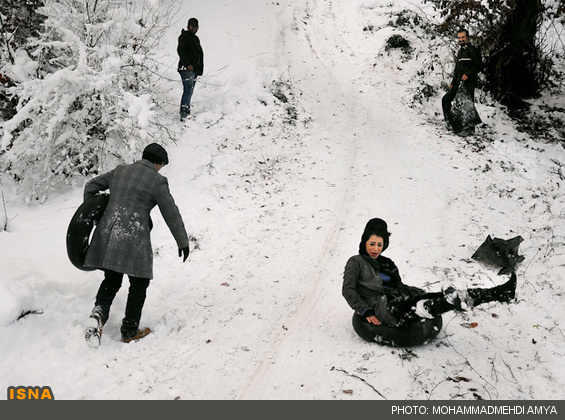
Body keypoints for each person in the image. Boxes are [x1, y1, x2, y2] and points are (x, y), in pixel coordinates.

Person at [83, 143, 190, 347]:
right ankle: (129, 330)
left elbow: (91, 186)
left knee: (112, 279)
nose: (160, 169)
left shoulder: (120, 171)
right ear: (158, 163)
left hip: (109, 233)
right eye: (161, 165)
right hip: (134, 236)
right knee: (139, 282)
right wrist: (182, 241)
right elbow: (171, 212)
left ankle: (98, 314)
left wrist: (94, 214)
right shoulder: (157, 181)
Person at [342, 218, 516, 333]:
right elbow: (348, 289)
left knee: (447, 295)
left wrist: (416, 293)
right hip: (383, 307)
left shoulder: (387, 263)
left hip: (399, 298)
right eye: (371, 243)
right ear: (364, 242)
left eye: (379, 245)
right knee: (426, 304)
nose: (375, 249)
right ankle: (443, 303)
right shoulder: (355, 262)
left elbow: (399, 287)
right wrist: (365, 310)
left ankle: (498, 293)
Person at [442, 28, 483, 136]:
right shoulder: (460, 52)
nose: (461, 39)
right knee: (446, 99)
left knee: (468, 104)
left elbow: (478, 66)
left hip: (469, 82)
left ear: (467, 38)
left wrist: (468, 75)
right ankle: (450, 122)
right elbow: (457, 70)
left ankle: (469, 129)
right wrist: (453, 82)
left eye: (463, 37)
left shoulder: (473, 50)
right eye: (459, 38)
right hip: (459, 83)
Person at [177, 17, 204, 122]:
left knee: (190, 91)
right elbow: (180, 50)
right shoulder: (184, 36)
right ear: (188, 26)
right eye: (192, 26)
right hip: (186, 68)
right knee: (188, 90)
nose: (194, 28)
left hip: (194, 69)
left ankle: (186, 112)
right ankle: (184, 115)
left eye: (196, 26)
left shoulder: (195, 39)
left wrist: (198, 69)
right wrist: (188, 64)